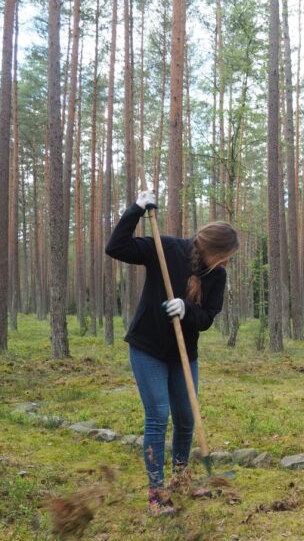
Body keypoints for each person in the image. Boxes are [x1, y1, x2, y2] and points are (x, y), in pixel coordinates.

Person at [105, 189, 239, 516]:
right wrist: (136, 209)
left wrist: (186, 310)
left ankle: (180, 479)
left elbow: (207, 317)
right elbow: (116, 247)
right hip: (148, 348)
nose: (226, 262)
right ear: (211, 247)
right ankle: (156, 492)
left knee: (185, 417)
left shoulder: (216, 275)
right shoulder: (165, 250)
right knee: (158, 415)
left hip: (183, 354)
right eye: (225, 255)